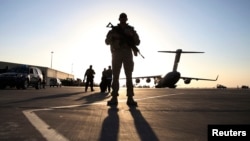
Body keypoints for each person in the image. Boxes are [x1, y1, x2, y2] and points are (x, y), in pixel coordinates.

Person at [105, 13, 140, 106]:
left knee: (129, 76)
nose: (123, 19)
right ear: (119, 19)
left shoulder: (131, 30)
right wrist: (112, 36)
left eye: (124, 18)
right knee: (115, 76)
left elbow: (138, 42)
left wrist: (131, 36)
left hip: (127, 53)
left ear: (126, 19)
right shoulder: (113, 30)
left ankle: (130, 98)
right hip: (116, 53)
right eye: (122, 18)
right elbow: (106, 42)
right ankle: (114, 97)